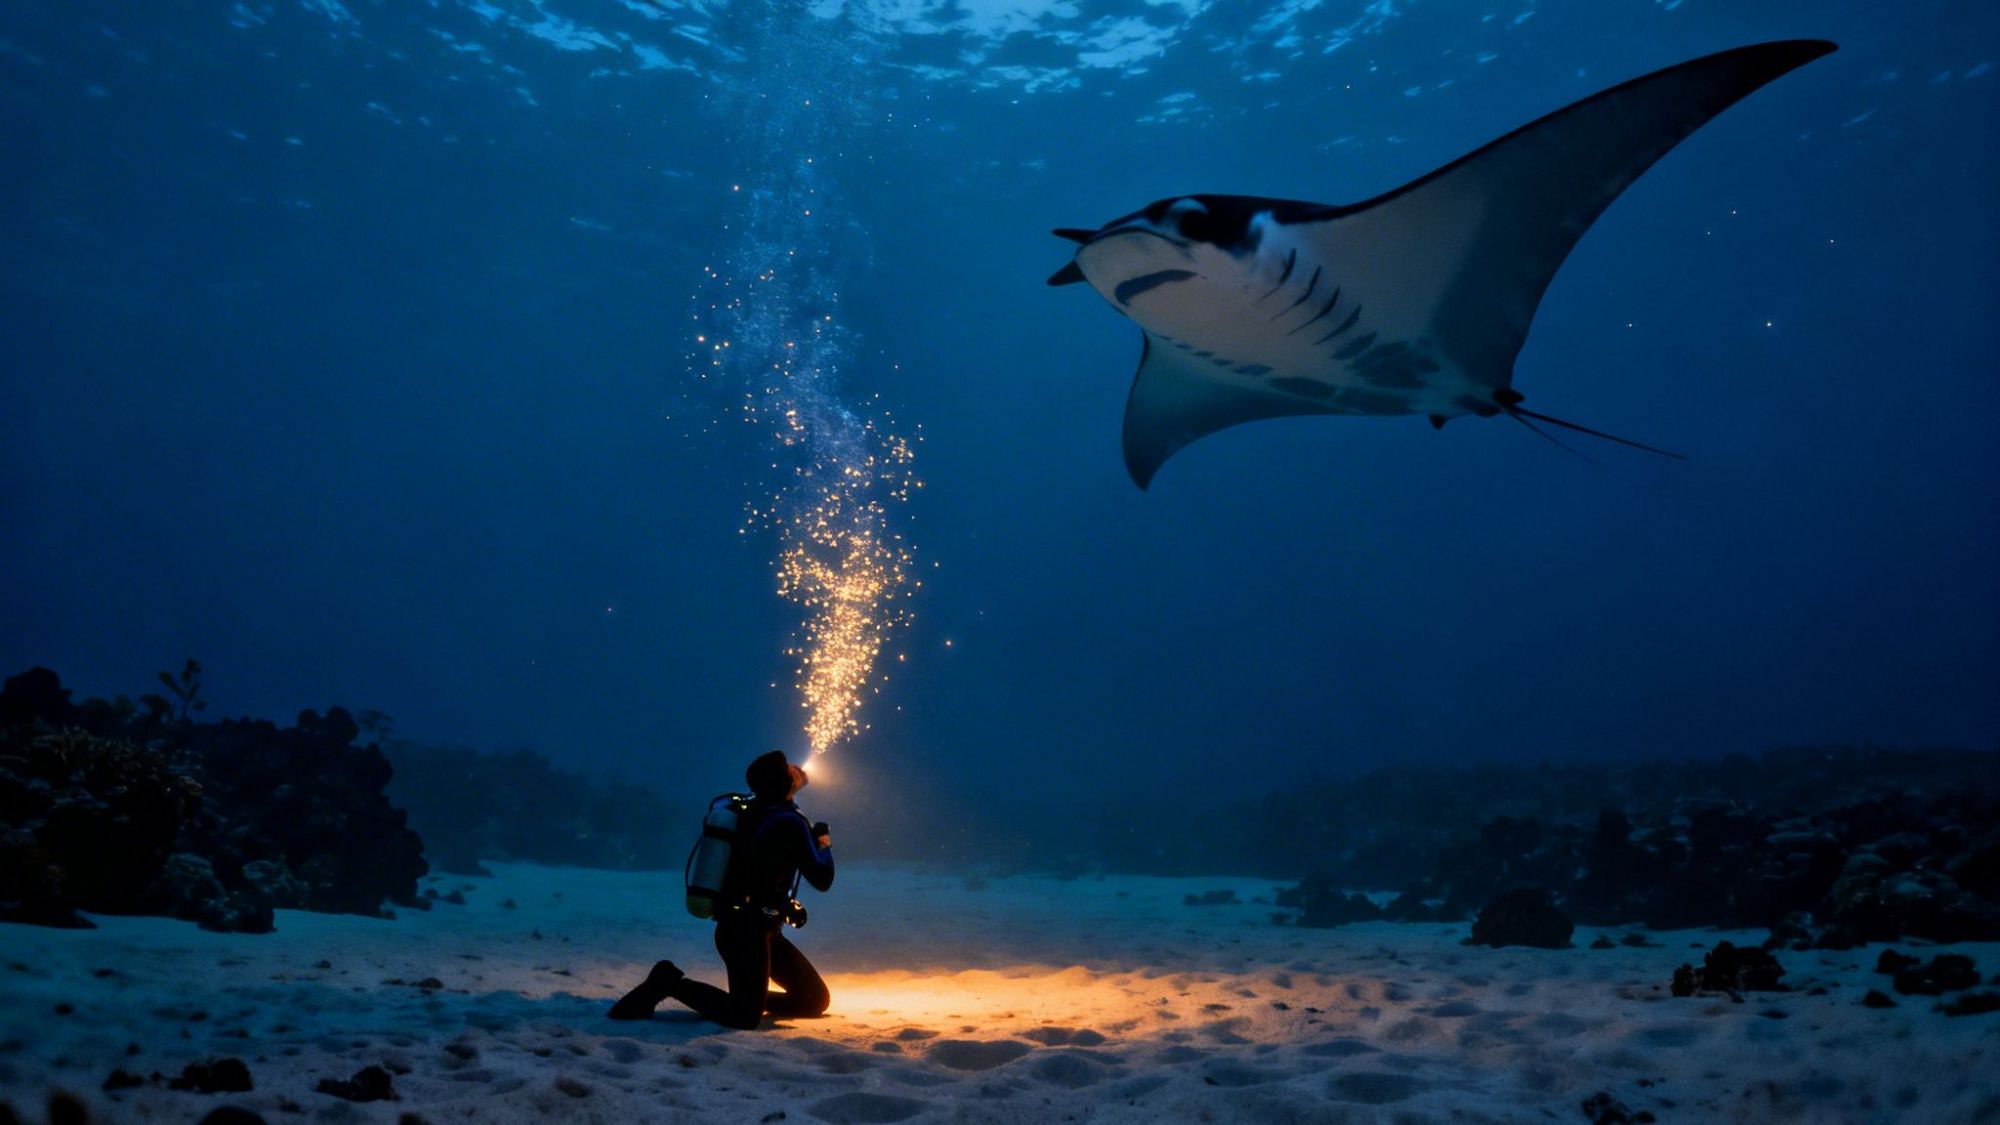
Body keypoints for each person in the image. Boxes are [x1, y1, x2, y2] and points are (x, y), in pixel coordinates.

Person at [608, 749, 834, 1028]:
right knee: (743, 1017)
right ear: (784, 784)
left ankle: (747, 997)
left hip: (755, 927)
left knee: (813, 1000)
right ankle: (669, 983)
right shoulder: (789, 822)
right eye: (789, 771)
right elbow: (822, 878)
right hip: (745, 933)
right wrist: (823, 841)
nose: (796, 772)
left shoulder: (755, 812)